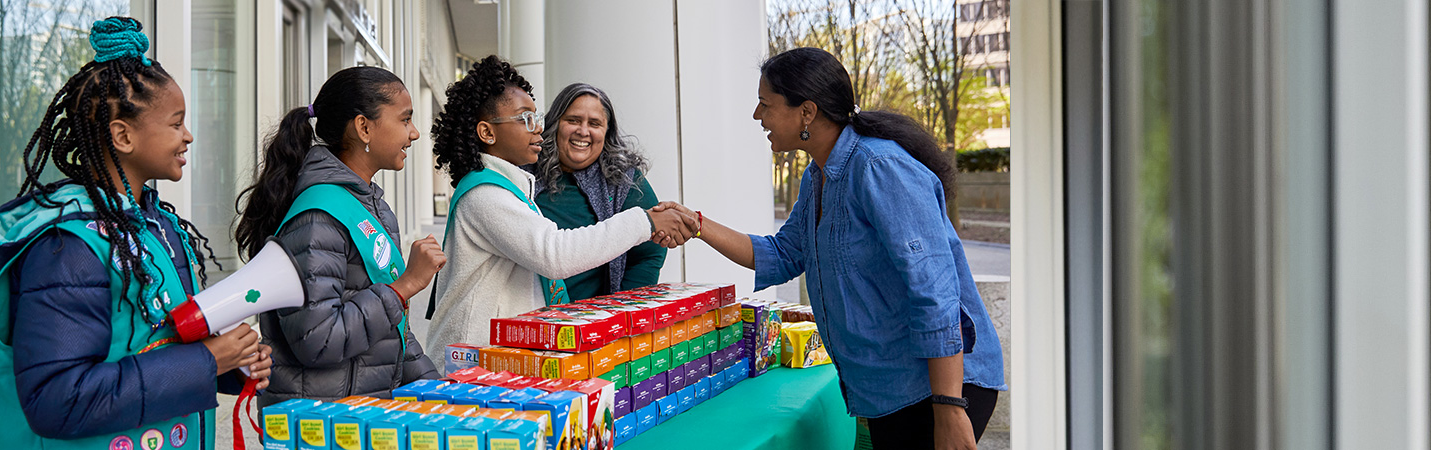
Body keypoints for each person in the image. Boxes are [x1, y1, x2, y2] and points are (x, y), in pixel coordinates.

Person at [652, 47, 1006, 449]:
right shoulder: (816, 177)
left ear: (806, 112)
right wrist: (696, 224)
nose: (757, 116)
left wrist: (948, 406)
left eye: (765, 104)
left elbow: (935, 292)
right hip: (891, 393)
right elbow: (782, 254)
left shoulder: (878, 167)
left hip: (937, 390)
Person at [0, 17, 270, 449]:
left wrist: (230, 363)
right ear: (123, 135)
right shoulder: (68, 247)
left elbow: (156, 348)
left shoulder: (159, 228)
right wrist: (207, 359)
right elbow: (60, 399)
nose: (187, 136)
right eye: (175, 123)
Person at [421, 55, 696, 364]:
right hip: (472, 360)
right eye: (525, 119)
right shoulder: (486, 194)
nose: (536, 128)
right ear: (487, 133)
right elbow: (555, 254)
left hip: (505, 352)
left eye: (594, 123)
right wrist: (644, 220)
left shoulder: (508, 187)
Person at [234, 66, 445, 405]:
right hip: (323, 421)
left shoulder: (372, 205)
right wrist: (405, 286)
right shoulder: (318, 216)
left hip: (361, 412)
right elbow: (317, 338)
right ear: (364, 127)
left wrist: (442, 393)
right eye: (405, 120)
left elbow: (395, 335)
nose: (415, 133)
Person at [523, 83, 667, 300]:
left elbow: (651, 251)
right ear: (554, 124)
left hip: (595, 322)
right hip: (525, 318)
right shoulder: (524, 173)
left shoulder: (624, 179)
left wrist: (621, 308)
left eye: (595, 123)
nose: (583, 131)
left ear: (607, 131)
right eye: (573, 120)